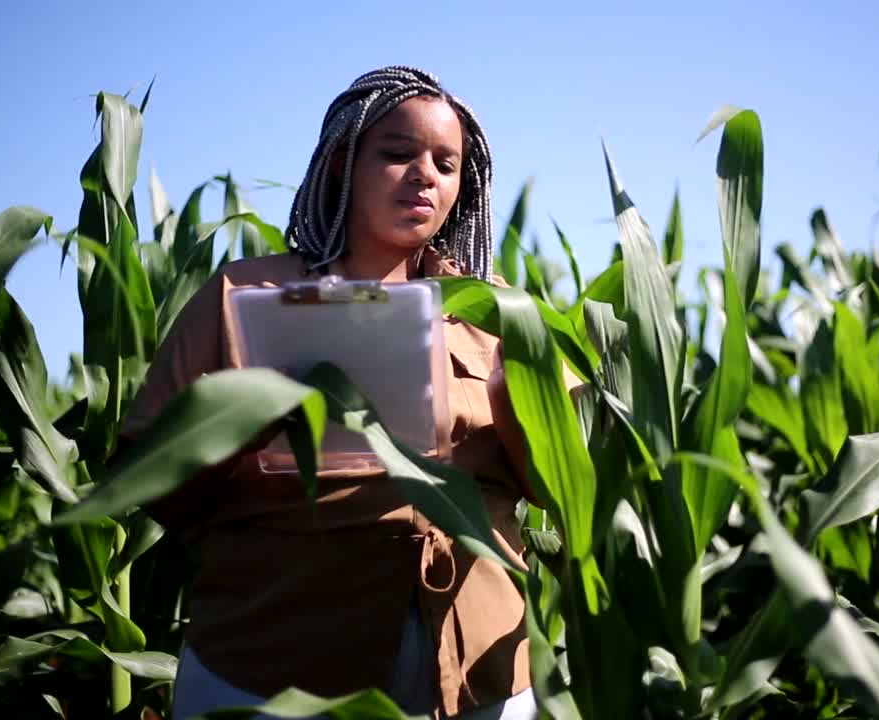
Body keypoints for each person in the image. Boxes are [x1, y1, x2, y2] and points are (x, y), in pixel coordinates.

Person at [116, 66, 552, 720]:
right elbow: (143, 475)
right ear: (344, 161)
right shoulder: (244, 297)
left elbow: (560, 489)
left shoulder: (502, 315)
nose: (425, 174)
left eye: (446, 162)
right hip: (274, 659)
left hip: (478, 666)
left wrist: (522, 409)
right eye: (398, 154)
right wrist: (244, 426)